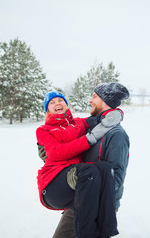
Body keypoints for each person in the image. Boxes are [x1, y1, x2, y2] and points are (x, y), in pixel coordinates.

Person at [39, 83, 130, 238]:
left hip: (98, 203)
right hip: (80, 197)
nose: (90, 100)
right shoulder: (89, 129)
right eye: (52, 103)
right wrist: (49, 155)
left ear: (104, 100)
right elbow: (67, 154)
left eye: (94, 96)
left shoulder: (116, 135)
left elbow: (116, 179)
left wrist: (90, 194)